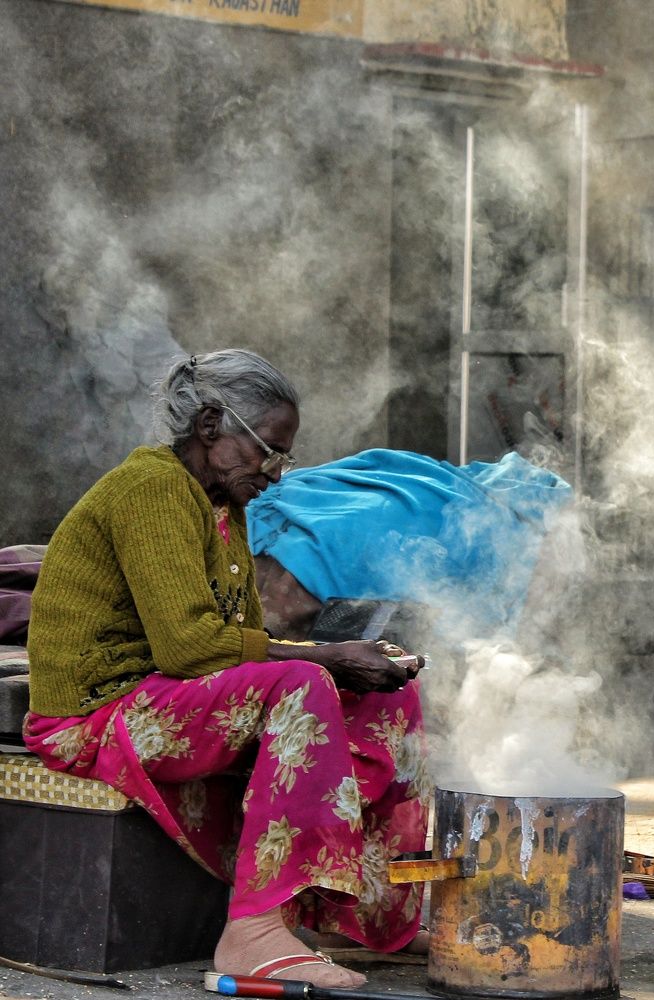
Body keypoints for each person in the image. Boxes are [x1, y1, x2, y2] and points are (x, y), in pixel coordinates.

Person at [23, 349, 431, 989]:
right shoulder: (152, 487)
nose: (276, 473)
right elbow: (189, 647)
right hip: (97, 713)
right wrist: (322, 658)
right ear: (210, 424)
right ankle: (253, 933)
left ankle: (353, 913)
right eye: (268, 451)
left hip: (167, 694)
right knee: (304, 683)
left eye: (283, 458)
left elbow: (239, 641)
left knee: (388, 697)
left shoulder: (224, 509)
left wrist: (352, 660)